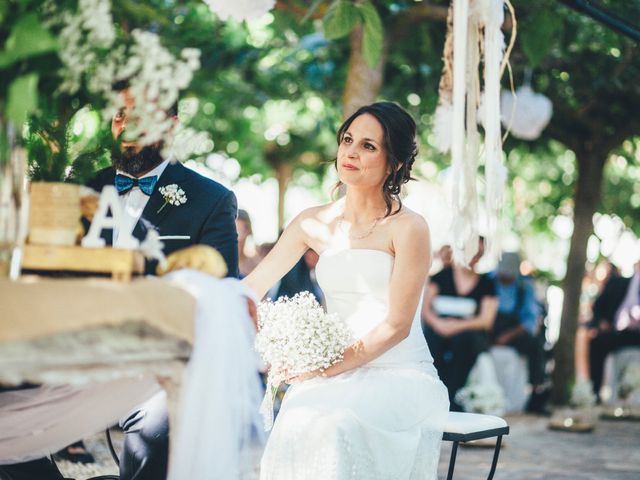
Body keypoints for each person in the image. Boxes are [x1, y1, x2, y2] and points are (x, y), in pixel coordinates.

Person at [0, 87, 240, 480]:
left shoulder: (211, 199)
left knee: (157, 427)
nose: (127, 127)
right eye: (117, 116)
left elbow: (223, 293)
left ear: (171, 125)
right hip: (68, 354)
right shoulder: (75, 189)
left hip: (153, 366)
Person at [243, 102, 449, 479]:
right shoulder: (312, 222)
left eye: (369, 146)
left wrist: (323, 368)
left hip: (399, 373)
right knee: (297, 421)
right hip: (330, 375)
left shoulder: (409, 228)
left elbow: (397, 326)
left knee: (335, 426)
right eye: (348, 140)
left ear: (395, 163)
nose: (351, 152)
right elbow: (251, 287)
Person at [422, 238, 498, 410]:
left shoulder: (487, 284)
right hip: (439, 327)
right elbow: (426, 309)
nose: (473, 257)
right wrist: (438, 324)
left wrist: (456, 326)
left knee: (465, 342)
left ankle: (453, 394)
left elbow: (486, 320)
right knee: (431, 341)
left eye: (478, 253)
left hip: (469, 331)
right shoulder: (441, 277)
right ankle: (434, 393)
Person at [491, 252, 548, 413]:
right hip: (488, 329)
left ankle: (537, 390)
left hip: (513, 332)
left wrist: (508, 336)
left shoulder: (525, 287)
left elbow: (529, 320)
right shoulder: (488, 280)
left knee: (535, 345)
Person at [583, 260, 640, 399]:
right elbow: (598, 307)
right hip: (620, 331)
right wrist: (600, 323)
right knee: (597, 342)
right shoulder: (619, 283)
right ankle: (595, 392)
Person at [237, 209, 260, 277]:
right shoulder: (217, 263)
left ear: (248, 232)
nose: (238, 238)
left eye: (241, 231)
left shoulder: (256, 265)